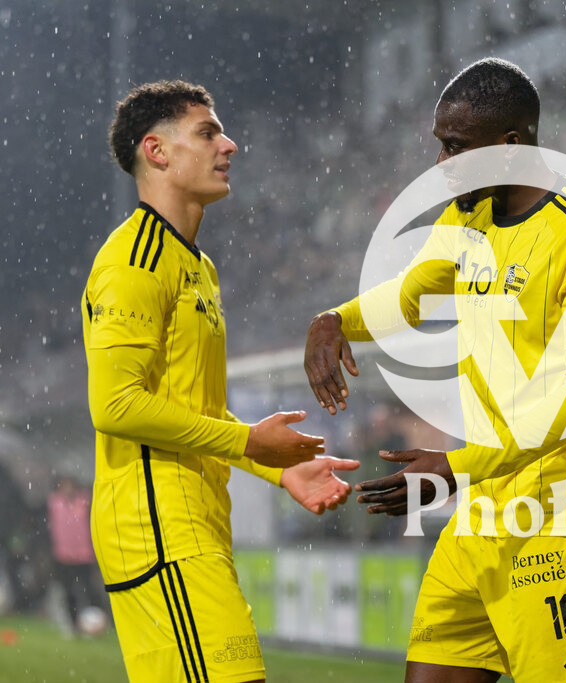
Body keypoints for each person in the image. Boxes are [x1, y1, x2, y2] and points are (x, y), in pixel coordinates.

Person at [305, 58, 566, 682]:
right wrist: (337, 319)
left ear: (511, 146)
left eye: (456, 147)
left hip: (561, 512)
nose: (441, 163)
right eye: (441, 144)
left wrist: (455, 467)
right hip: (483, 506)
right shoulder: (469, 217)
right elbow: (413, 294)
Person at [83, 80, 359, 683]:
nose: (229, 145)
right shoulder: (133, 263)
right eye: (208, 132)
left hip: (193, 527)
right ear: (156, 151)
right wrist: (247, 445)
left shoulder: (196, 265)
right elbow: (116, 405)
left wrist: (276, 467)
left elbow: (189, 409)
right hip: (157, 530)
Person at [47, 475, 107, 636]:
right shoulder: (54, 503)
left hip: (84, 555)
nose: (67, 489)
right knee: (68, 592)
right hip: (63, 556)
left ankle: (97, 624)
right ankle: (73, 625)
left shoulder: (85, 501)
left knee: (89, 591)